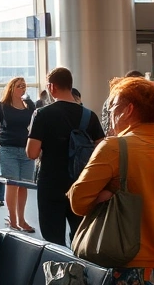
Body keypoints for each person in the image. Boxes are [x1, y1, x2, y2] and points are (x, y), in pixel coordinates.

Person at [69, 77, 154, 283]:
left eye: (114, 107)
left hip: (134, 263)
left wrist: (108, 193)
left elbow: (78, 201)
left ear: (129, 110)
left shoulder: (116, 147)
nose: (110, 115)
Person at [27, 67, 105, 246]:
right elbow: (102, 150)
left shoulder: (42, 114)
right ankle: (81, 272)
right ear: (70, 86)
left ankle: (59, 272)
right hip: (81, 184)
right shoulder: (89, 116)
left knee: (53, 241)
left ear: (51, 87)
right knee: (81, 238)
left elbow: (32, 153)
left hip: (51, 184)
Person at [0, 77, 36, 233]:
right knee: (12, 184)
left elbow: (34, 126)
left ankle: (21, 219)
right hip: (8, 149)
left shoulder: (29, 106)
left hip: (25, 149)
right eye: (19, 86)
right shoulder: (3, 106)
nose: (23, 88)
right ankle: (12, 219)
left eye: (24, 86)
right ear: (12, 88)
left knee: (24, 185)